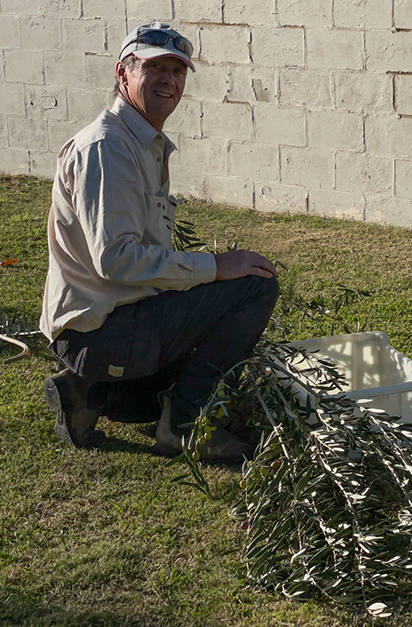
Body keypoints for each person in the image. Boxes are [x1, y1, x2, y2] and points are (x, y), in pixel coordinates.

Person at [39, 22, 279, 462]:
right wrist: (214, 266)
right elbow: (117, 260)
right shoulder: (107, 149)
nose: (169, 80)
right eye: (155, 68)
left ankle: (86, 393)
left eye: (178, 70)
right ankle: (183, 424)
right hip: (99, 332)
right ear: (123, 73)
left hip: (112, 323)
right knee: (253, 287)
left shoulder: (140, 141)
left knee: (210, 329)